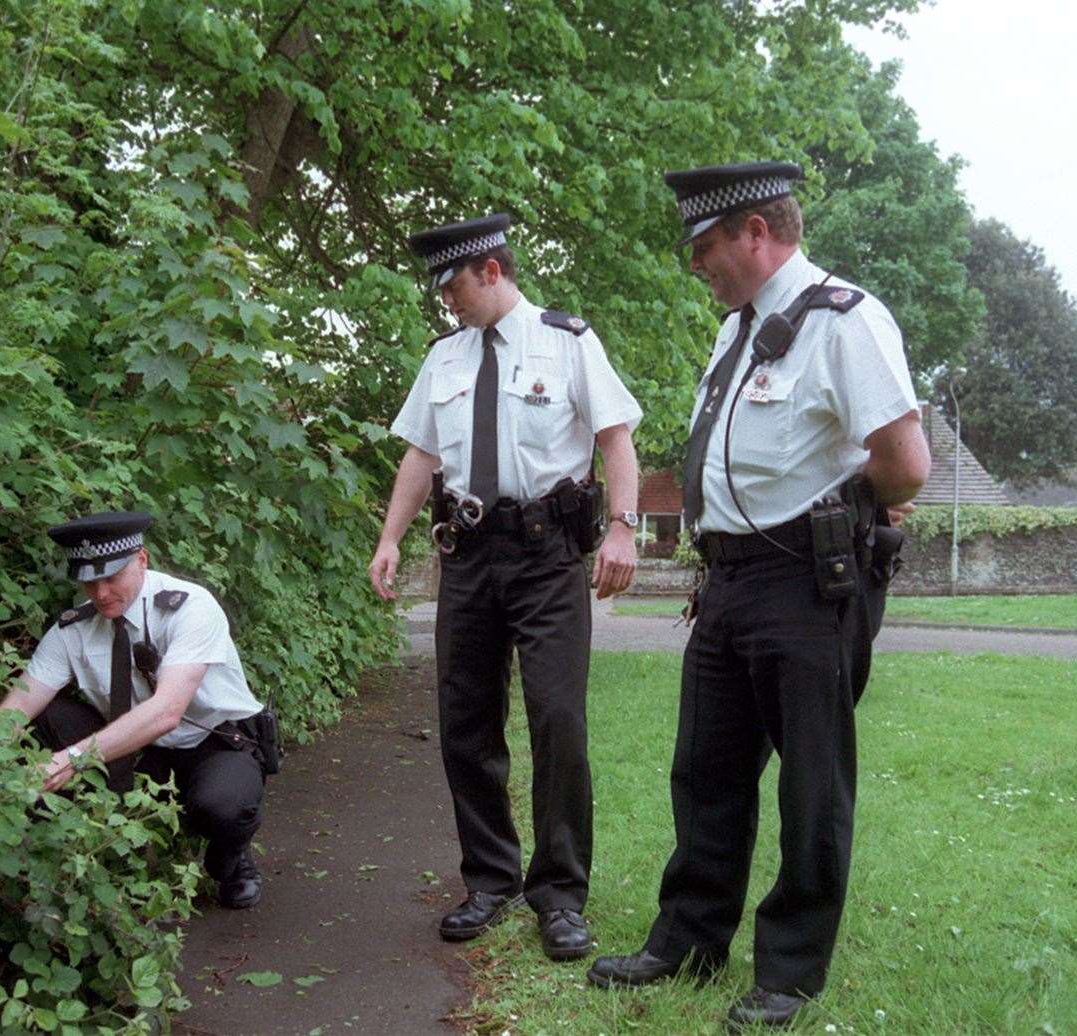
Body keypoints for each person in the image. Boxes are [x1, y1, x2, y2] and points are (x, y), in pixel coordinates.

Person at [586, 162, 930, 1029]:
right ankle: (688, 938)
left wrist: (854, 509)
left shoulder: (844, 321)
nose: (695, 264)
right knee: (705, 771)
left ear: (755, 232)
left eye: (705, 247)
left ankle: (788, 970)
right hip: (729, 579)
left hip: (807, 580)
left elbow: (904, 460)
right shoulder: (738, 329)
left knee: (811, 782)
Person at [368, 214, 643, 961]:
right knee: (465, 719)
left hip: (546, 552)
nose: (446, 302)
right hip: (467, 555)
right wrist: (390, 538)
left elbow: (615, 437)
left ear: (491, 270)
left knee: (557, 719)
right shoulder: (445, 358)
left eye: (453, 285)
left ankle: (558, 895)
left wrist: (622, 526)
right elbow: (422, 454)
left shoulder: (567, 340)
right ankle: (489, 879)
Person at [0, 511, 269, 910]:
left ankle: (231, 858)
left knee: (223, 807)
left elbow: (168, 711)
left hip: (212, 741)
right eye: (88, 581)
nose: (100, 593)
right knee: (43, 718)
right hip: (137, 746)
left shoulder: (189, 609)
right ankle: (83, 851)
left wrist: (70, 761)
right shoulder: (73, 629)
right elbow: (16, 707)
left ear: (141, 560)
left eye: (111, 577)